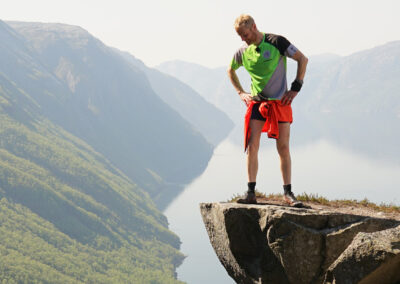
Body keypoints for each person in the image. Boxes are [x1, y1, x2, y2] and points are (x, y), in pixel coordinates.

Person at [227, 14, 308, 206]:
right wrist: (241, 92)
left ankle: (288, 193)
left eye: (245, 34)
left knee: (283, 147)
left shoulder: (276, 42)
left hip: (280, 103)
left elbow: (302, 59)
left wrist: (296, 87)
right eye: (240, 36)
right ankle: (250, 192)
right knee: (252, 146)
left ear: (254, 27)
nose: (243, 39)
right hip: (257, 103)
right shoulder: (242, 51)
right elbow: (230, 70)